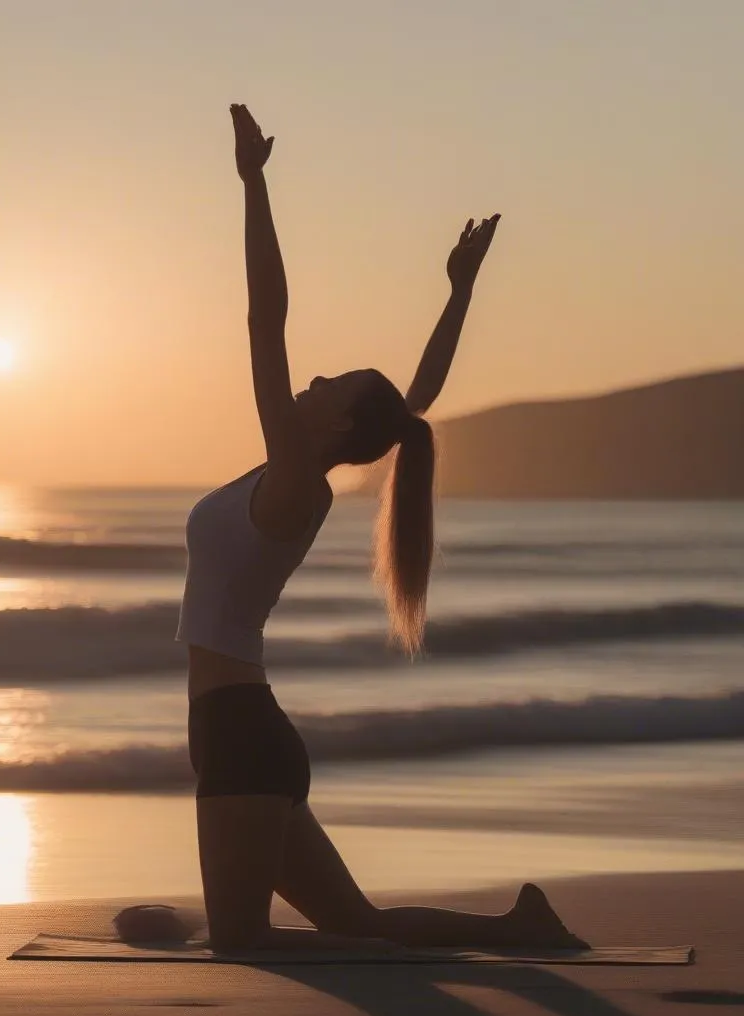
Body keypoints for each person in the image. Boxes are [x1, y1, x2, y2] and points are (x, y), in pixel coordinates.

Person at [175, 102, 586, 955]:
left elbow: (266, 319)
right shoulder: (289, 475)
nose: (315, 375)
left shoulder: (295, 482)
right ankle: (518, 932)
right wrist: (460, 293)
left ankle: (501, 939)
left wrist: (255, 186)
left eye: (332, 383)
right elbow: (417, 405)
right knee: (356, 926)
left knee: (240, 945)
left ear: (332, 430)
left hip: (241, 734)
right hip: (244, 729)